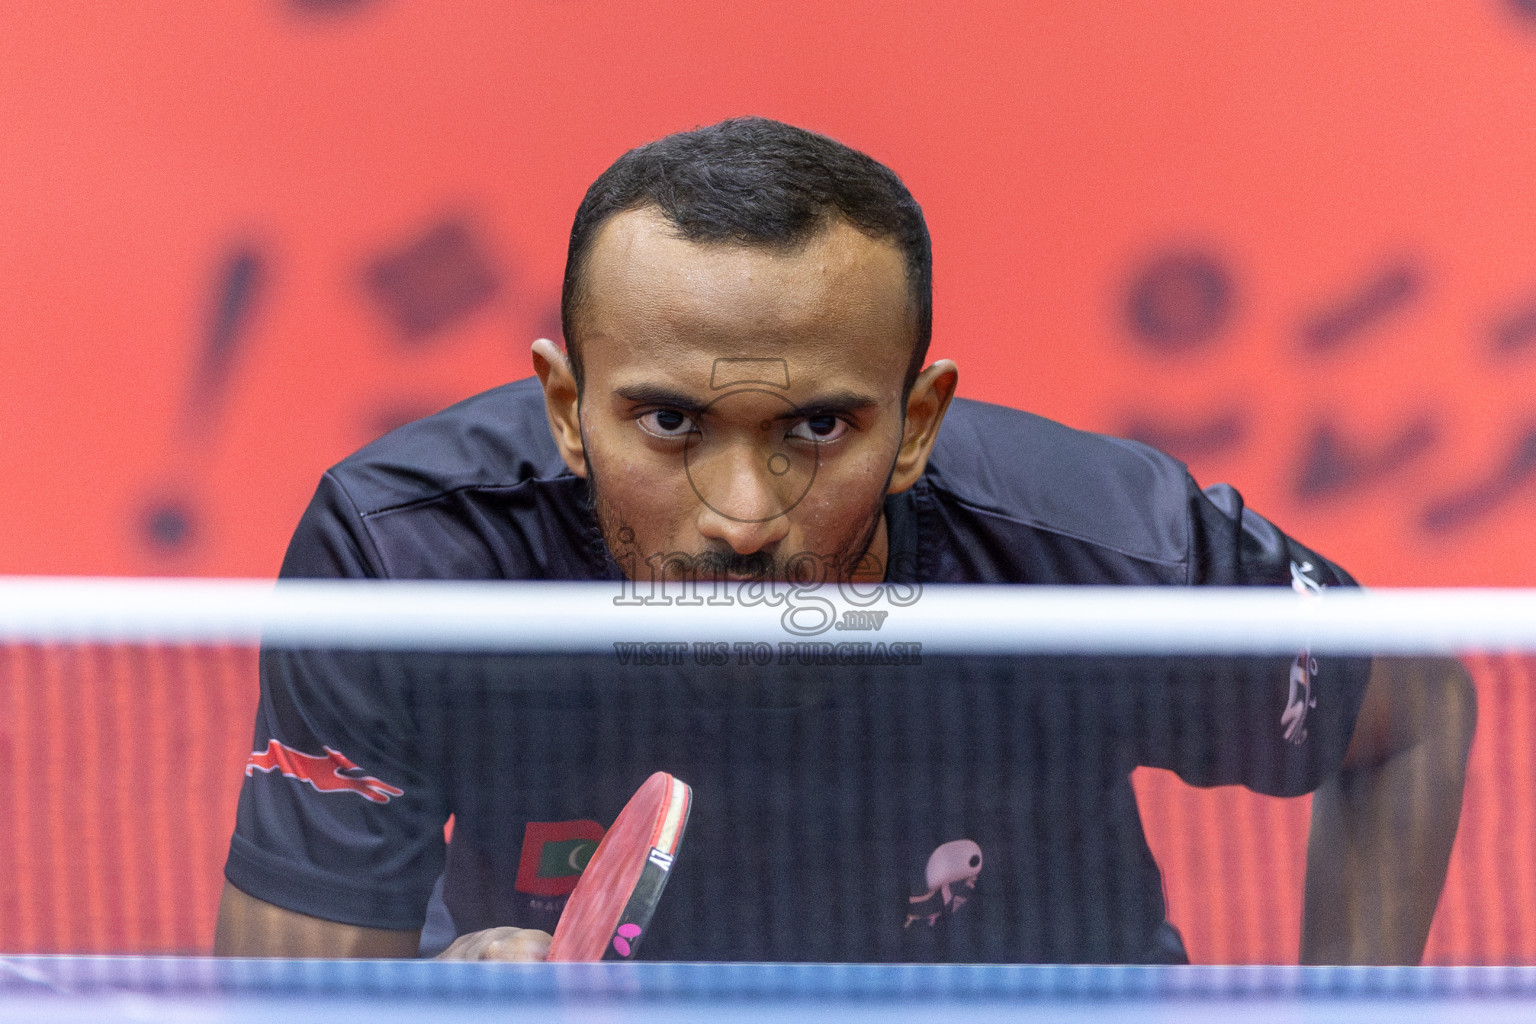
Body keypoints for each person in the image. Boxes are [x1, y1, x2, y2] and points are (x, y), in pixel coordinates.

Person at [216, 117, 1475, 964]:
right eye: (668, 421)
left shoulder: (1099, 561)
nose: (744, 513)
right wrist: (428, 997)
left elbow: (1411, 711)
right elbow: (290, 985)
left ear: (919, 421)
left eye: (818, 425)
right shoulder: (412, 563)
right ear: (566, 407)